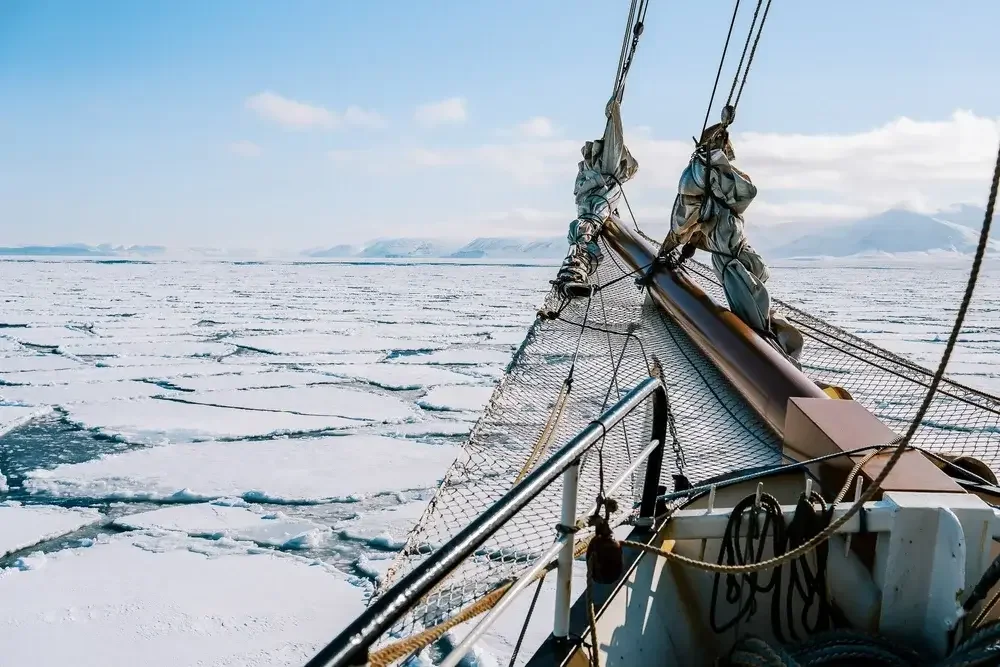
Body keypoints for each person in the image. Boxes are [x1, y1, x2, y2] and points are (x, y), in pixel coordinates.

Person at [659, 118, 804, 362]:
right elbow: (708, 220)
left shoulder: (700, 185)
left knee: (757, 330)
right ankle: (778, 358)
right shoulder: (728, 189)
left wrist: (667, 251)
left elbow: (685, 225)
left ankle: (777, 365)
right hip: (747, 259)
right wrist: (689, 247)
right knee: (760, 318)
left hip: (735, 267)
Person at [553, 97, 638, 298]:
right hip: (596, 213)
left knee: (583, 226)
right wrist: (613, 114)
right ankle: (577, 266)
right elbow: (614, 145)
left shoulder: (597, 176)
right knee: (584, 226)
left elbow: (614, 144)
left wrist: (614, 115)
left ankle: (577, 266)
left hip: (594, 214)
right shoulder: (605, 173)